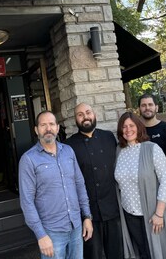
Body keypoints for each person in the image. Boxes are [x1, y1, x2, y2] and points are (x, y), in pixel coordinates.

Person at [19, 110, 93, 259]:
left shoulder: (68, 152)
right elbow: (27, 201)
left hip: (76, 227)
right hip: (51, 232)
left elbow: (79, 185)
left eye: (52, 124)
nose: (48, 128)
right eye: (43, 125)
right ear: (36, 130)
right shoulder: (28, 159)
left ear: (57, 128)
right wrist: (41, 235)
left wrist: (87, 216)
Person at [115, 111, 166, 259]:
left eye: (131, 125)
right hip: (130, 215)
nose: (128, 130)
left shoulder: (152, 149)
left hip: (152, 214)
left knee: (158, 253)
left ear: (138, 127)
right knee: (143, 253)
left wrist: (159, 214)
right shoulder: (119, 151)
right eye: (124, 127)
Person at [65, 103, 124, 259]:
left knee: (117, 254)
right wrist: (84, 216)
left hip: (112, 210)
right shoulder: (69, 146)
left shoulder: (109, 137)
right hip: (88, 215)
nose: (85, 117)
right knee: (93, 255)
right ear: (75, 119)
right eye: (80, 114)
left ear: (94, 114)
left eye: (88, 112)